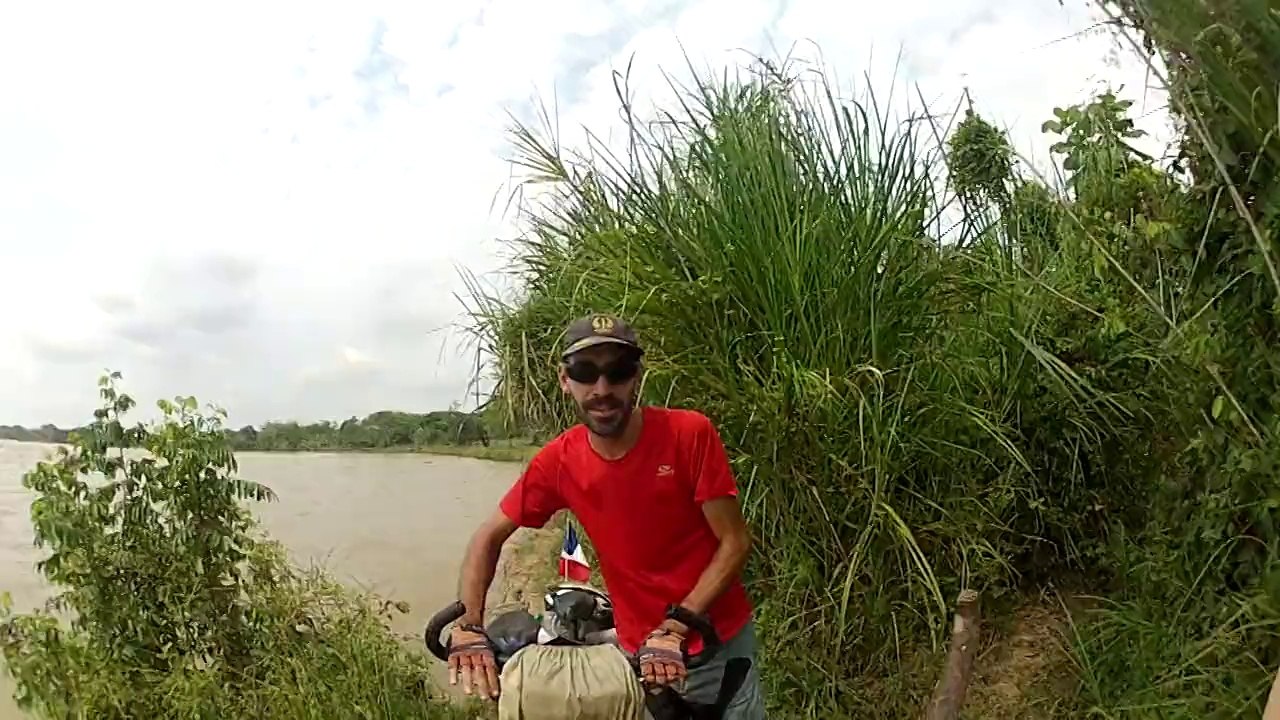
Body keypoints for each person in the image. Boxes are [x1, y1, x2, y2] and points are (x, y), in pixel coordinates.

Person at [447, 313, 765, 718]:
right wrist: (470, 624)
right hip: (639, 652)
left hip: (717, 642)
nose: (602, 389)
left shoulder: (689, 435)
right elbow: (489, 535)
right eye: (585, 372)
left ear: (636, 377)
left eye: (617, 372)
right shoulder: (559, 461)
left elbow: (734, 541)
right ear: (565, 380)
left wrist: (676, 626)